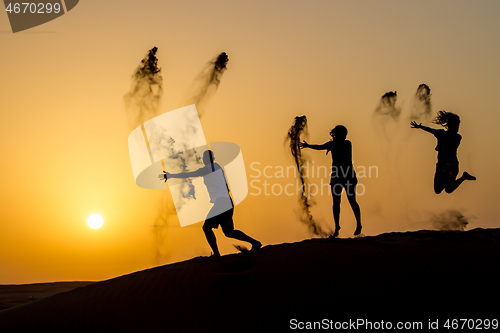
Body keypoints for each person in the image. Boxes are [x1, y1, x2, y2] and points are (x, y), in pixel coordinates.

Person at [159, 150, 261, 257]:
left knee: (206, 227)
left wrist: (171, 175)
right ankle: (255, 243)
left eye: (204, 157)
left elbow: (192, 174)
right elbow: (226, 187)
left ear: (207, 159)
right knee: (229, 232)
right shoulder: (218, 168)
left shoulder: (208, 168)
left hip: (222, 203)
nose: (203, 159)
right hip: (227, 202)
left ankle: (216, 254)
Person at [300, 125, 362, 238]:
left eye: (345, 134)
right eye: (342, 134)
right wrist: (308, 145)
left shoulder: (347, 143)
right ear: (337, 134)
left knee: (352, 200)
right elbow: (319, 147)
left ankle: (358, 224)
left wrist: (310, 145)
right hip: (337, 176)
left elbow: (322, 147)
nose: (344, 136)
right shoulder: (332, 144)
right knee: (336, 203)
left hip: (348, 176)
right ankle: (337, 227)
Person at [411, 111, 476, 194]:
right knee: (440, 190)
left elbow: (431, 130)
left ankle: (464, 177)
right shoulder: (456, 136)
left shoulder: (448, 135)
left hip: (449, 166)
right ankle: (463, 177)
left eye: (458, 126)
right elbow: (431, 130)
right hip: (447, 165)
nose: (458, 128)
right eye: (457, 125)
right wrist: (420, 127)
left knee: (445, 189)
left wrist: (420, 127)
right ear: (451, 125)